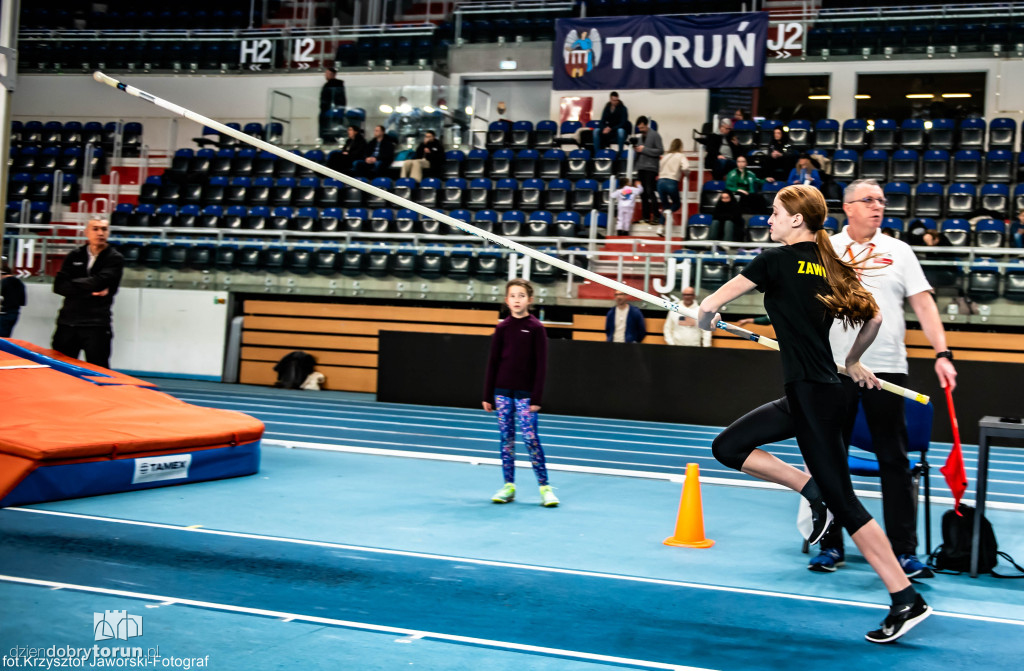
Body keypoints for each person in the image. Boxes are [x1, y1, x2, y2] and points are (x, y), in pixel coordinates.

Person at [697, 184, 931, 644]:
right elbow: (876, 319)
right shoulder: (831, 263)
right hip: (823, 392)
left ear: (797, 220)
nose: (770, 220)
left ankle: (906, 599)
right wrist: (853, 363)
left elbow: (709, 306)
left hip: (813, 397)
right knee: (728, 446)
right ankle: (811, 490)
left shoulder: (774, 261)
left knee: (847, 502)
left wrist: (705, 321)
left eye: (776, 213)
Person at [810, 179, 958, 579]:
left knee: (894, 459)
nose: (878, 207)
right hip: (835, 369)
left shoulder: (900, 250)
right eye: (869, 200)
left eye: (881, 201)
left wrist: (941, 353)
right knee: (830, 458)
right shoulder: (826, 248)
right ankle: (830, 545)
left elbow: (923, 304)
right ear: (848, 207)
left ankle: (905, 553)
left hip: (888, 370)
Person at [482, 279, 559, 507]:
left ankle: (545, 487)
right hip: (502, 393)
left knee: (530, 439)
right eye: (513, 296)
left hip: (526, 395)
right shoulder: (502, 328)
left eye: (521, 296)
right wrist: (488, 395)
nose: (517, 300)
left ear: (530, 300)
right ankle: (509, 486)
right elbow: (493, 362)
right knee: (506, 440)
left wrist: (536, 397)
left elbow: (541, 365)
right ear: (507, 301)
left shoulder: (536, 328)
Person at [52, 219, 124, 369]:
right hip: (67, 323)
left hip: (96, 324)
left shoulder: (114, 258)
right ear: (86, 232)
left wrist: (73, 285)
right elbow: (58, 286)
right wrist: (90, 291)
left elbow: (99, 282)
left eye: (104, 229)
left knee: (98, 369)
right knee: (60, 370)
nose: (100, 233)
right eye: (95, 229)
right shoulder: (74, 256)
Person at [633, 116, 663, 224]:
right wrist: (637, 150)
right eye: (639, 128)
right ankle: (645, 217)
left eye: (642, 127)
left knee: (650, 192)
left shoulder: (655, 135)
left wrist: (644, 149)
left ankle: (656, 216)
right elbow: (641, 152)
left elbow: (660, 151)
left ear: (646, 125)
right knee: (643, 193)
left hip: (651, 168)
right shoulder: (640, 137)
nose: (640, 130)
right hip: (641, 167)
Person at [657, 138, 688, 232]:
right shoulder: (680, 155)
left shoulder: (665, 156)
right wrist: (687, 174)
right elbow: (686, 167)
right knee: (677, 204)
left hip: (660, 182)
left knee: (665, 205)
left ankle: (660, 227)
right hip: (671, 181)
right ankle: (669, 212)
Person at [318, 66, 346, 143]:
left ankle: (331, 139)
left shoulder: (335, 85)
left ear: (332, 74)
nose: (325, 75)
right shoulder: (327, 85)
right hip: (327, 110)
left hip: (331, 110)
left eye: (327, 73)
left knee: (330, 125)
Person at [1, 259, 27, 338]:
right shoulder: (20, 283)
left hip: (3, 314)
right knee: (7, 339)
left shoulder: (2, 283)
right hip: (14, 314)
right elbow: (22, 302)